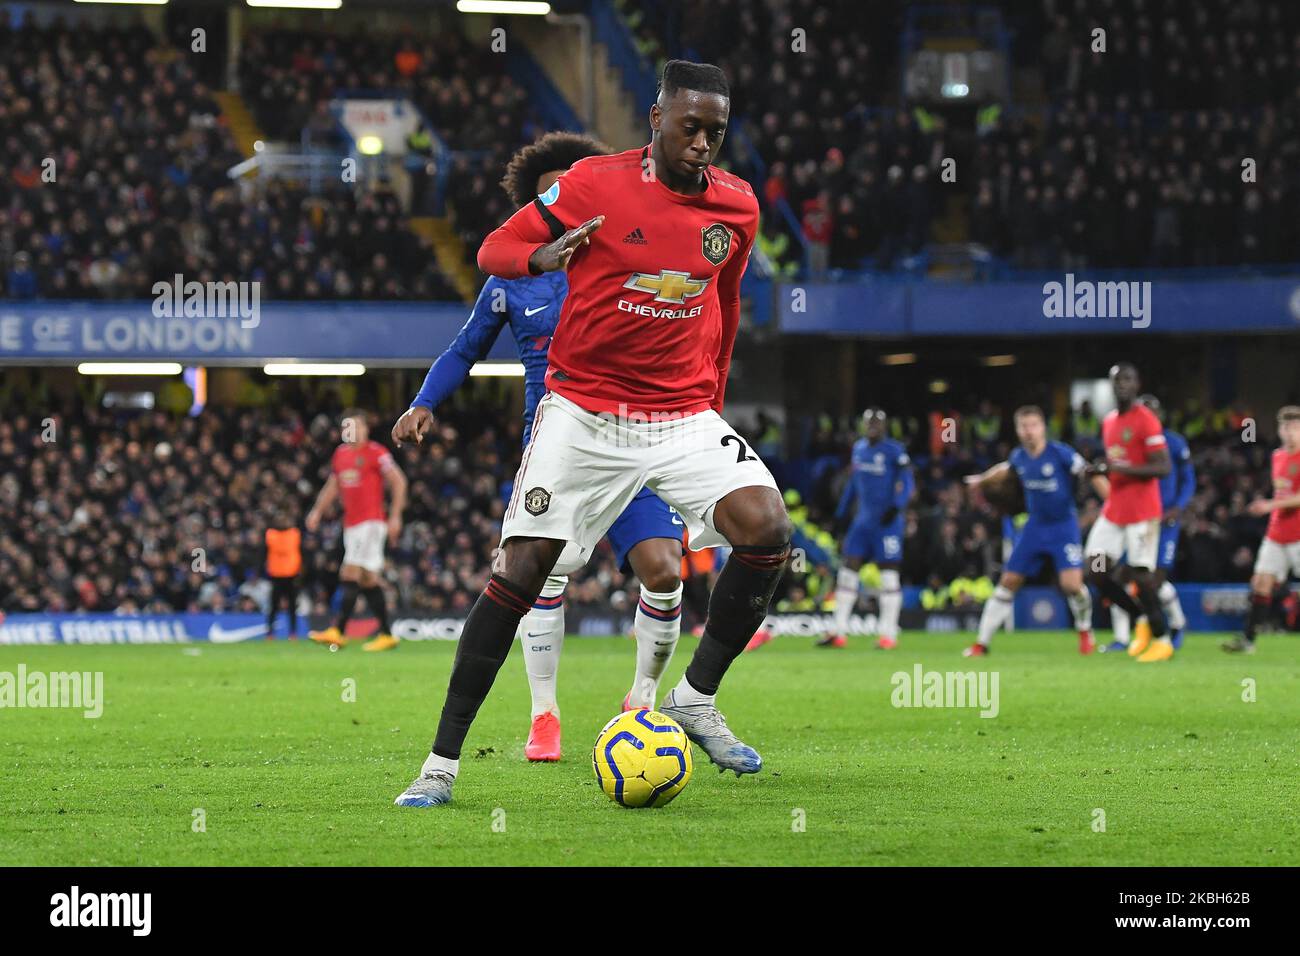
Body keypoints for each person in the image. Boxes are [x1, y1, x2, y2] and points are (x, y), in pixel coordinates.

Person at [395, 59, 790, 808]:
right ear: (656, 119)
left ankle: (692, 699)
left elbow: (727, 304)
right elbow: (495, 250)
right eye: (690, 126)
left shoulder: (736, 207)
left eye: (716, 130)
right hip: (581, 415)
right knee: (519, 573)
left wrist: (713, 392)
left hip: (678, 415)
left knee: (768, 529)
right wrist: (540, 255)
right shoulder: (592, 185)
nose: (703, 142)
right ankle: (440, 766)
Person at [392, 131, 687, 763]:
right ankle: (544, 714)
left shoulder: (623, 256)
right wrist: (423, 402)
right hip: (554, 443)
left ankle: (642, 701)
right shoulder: (511, 280)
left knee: (664, 570)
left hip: (634, 431)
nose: (566, 199)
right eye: (552, 192)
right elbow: (464, 348)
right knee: (538, 576)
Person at [961, 406, 1100, 656]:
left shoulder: (1060, 453)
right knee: (1008, 581)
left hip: (1063, 526)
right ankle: (981, 643)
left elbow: (1088, 471)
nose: (1029, 431)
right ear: (1017, 430)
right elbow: (1004, 469)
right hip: (1034, 526)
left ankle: (1085, 631)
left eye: (1033, 425)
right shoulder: (1019, 457)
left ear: (1043, 427)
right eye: (1023, 426)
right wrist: (981, 480)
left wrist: (1109, 498)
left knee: (1071, 585)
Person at [1084, 364, 1173, 662]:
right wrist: (1100, 469)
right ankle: (1140, 617)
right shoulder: (1109, 422)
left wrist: (1119, 469)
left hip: (1143, 511)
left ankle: (1162, 639)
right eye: (1117, 380)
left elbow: (1163, 467)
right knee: (1094, 571)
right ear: (1110, 385)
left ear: (1137, 384)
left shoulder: (1146, 420)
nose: (1122, 385)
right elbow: (1116, 462)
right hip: (1115, 509)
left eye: (1128, 380)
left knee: (1142, 577)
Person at [306, 409, 407, 652]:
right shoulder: (340, 455)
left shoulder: (376, 453)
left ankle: (338, 631)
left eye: (356, 427)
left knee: (349, 572)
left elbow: (399, 481)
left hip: (371, 523)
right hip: (351, 526)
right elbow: (333, 486)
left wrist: (395, 516)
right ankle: (386, 634)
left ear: (365, 430)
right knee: (367, 578)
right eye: (346, 427)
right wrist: (317, 511)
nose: (351, 431)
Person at [1109, 395, 1194, 650]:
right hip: (1137, 517)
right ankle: (1123, 637)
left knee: (1152, 580)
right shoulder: (1131, 443)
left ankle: (1177, 624)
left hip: (1164, 519)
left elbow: (1188, 479)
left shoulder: (1174, 443)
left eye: (1153, 412)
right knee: (1125, 576)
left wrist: (1178, 508)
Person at [823, 408, 913, 649]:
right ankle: (839, 631)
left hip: (887, 523)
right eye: (868, 422)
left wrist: (897, 506)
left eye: (877, 423)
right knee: (847, 572)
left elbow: (907, 481)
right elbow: (853, 483)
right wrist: (841, 514)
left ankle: (888, 635)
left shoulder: (895, 451)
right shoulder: (859, 449)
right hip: (862, 522)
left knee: (889, 577)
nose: (872, 426)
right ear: (863, 425)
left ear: (884, 426)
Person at [1224, 406, 1300, 653]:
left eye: (1295, 428)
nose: (1289, 433)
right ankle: (1248, 641)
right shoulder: (1278, 456)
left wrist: (1270, 505)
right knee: (1260, 583)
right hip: (1276, 533)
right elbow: (1284, 492)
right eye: (1285, 427)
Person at [264, 511, 302, 639]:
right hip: (276, 575)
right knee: (273, 606)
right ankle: (270, 633)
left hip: (291, 575)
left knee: (292, 607)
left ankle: (293, 633)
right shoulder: (270, 534)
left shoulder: (294, 534)